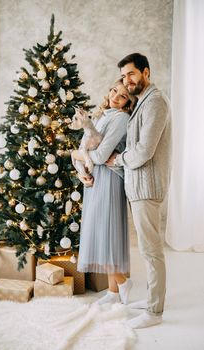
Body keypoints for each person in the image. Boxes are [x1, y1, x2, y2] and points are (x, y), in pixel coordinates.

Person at [107, 53, 172, 328]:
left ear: (146, 72)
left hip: (147, 188)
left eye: (131, 74)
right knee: (147, 250)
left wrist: (118, 160)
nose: (127, 80)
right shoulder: (140, 103)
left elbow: (144, 150)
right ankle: (150, 301)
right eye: (123, 76)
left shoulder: (155, 101)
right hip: (138, 187)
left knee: (152, 251)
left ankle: (155, 313)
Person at [72, 79, 136, 305]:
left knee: (105, 234)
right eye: (114, 90)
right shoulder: (101, 115)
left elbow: (99, 156)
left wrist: (76, 154)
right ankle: (113, 292)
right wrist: (80, 171)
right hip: (94, 180)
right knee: (103, 232)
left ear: (128, 103)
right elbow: (84, 148)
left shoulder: (121, 118)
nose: (115, 96)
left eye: (122, 96)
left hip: (109, 180)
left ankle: (122, 281)